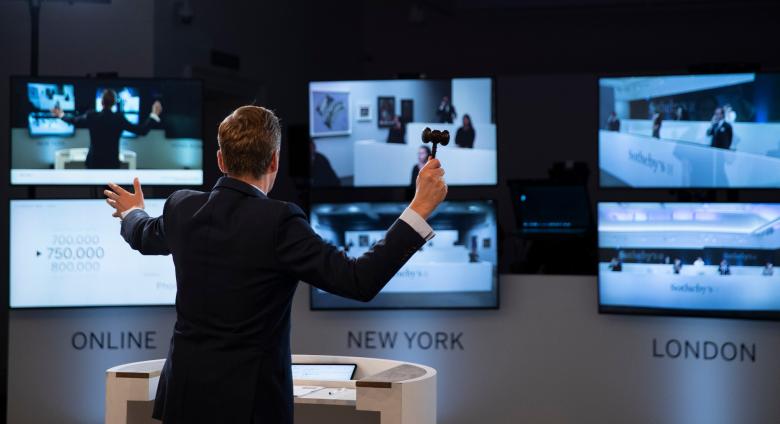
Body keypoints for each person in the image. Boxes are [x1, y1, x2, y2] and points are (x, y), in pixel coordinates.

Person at [103, 105, 448, 423]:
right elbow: (357, 280)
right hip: (251, 409)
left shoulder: (182, 207)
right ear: (274, 162)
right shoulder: (278, 222)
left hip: (183, 401)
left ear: (221, 160)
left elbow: (143, 234)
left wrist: (132, 210)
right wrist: (418, 209)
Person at [52, 89, 162, 169]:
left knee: (93, 197)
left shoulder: (92, 116)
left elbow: (74, 121)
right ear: (114, 102)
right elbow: (141, 131)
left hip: (93, 162)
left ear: (101, 102)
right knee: (110, 197)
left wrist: (61, 115)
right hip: (111, 163)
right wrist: (154, 115)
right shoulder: (118, 118)